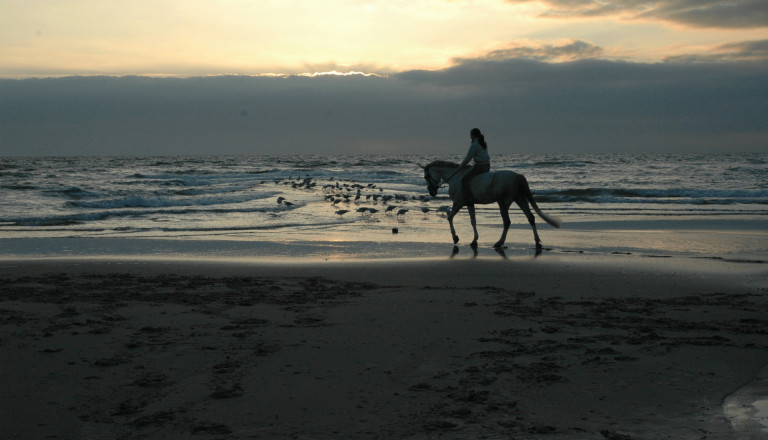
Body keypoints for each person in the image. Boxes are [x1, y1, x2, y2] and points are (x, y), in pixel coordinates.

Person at [458, 128, 490, 203]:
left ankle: (468, 198)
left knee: (464, 180)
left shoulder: (474, 145)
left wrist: (460, 167)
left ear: (473, 135)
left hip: (480, 167)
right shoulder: (482, 143)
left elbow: (468, 158)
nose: (470, 136)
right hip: (487, 166)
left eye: (470, 135)